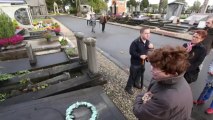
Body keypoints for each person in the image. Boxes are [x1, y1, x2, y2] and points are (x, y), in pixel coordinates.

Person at [133, 46, 193, 120]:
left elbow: (139, 112)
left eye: (156, 68)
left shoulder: (166, 98)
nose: (151, 70)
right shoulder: (176, 79)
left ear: (173, 73)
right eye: (152, 66)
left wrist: (139, 97)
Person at [124, 27, 154, 95]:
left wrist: (152, 48)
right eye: (146, 33)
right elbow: (131, 52)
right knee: (133, 75)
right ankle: (128, 87)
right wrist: (139, 56)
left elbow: (149, 51)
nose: (148, 35)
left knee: (139, 74)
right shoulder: (135, 42)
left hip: (142, 63)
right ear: (141, 33)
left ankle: (136, 84)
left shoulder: (148, 42)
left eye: (149, 33)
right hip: (135, 63)